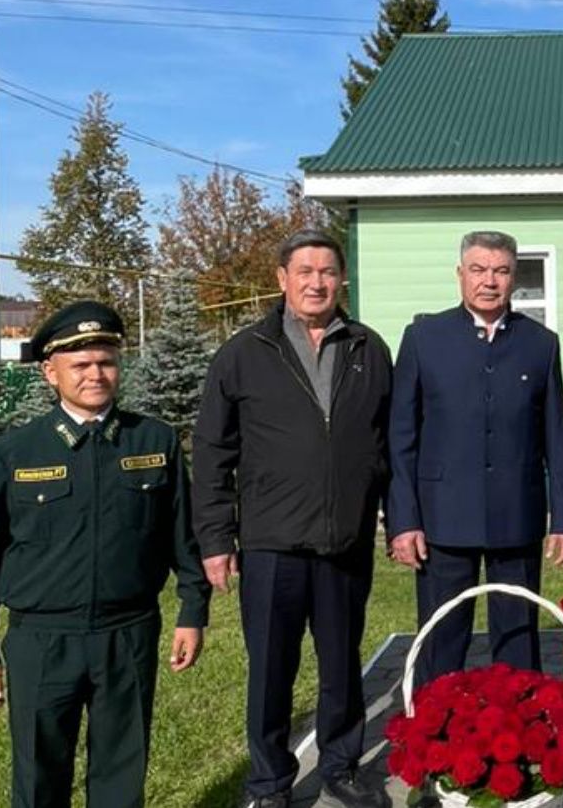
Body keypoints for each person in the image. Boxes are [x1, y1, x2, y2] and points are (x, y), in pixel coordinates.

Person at [0, 300, 209, 808]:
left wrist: (192, 611)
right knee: (39, 776)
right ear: (51, 372)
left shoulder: (153, 440)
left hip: (129, 632)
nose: (96, 374)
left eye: (107, 361)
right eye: (80, 365)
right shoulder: (16, 452)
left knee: (122, 774)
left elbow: (182, 537)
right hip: (42, 640)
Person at [193, 230, 392, 808]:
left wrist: (390, 515)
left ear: (341, 280)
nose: (316, 282)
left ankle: (340, 764)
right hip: (271, 544)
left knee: (341, 664)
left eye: (327, 271)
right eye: (304, 271)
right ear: (281, 279)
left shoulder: (367, 348)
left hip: (343, 542)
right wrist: (214, 538)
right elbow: (212, 452)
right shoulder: (243, 353)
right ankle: (270, 782)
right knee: (271, 672)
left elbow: (388, 444)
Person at [388, 231, 563, 680]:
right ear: (460, 275)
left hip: (517, 514)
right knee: (441, 639)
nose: (489, 281)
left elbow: (557, 436)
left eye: (501, 271)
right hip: (440, 520)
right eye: (478, 270)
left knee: (517, 638)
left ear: (514, 278)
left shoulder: (541, 343)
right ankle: (435, 737)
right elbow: (400, 438)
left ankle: (518, 732)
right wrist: (403, 520)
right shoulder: (423, 338)